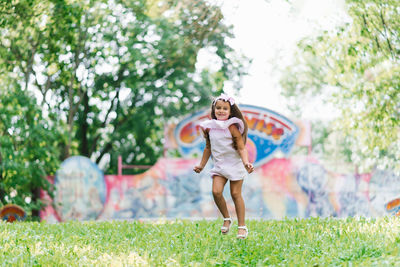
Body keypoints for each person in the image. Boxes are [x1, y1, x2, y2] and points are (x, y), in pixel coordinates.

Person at [193, 94, 254, 239]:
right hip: (220, 166)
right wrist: (201, 165)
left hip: (235, 165)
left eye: (224, 108)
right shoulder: (209, 128)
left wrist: (246, 163)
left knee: (235, 194)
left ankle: (242, 227)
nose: (221, 111)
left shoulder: (232, 127)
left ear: (230, 111)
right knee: (216, 192)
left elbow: (241, 148)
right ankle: (227, 218)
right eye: (218, 108)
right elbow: (208, 148)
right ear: (213, 110)